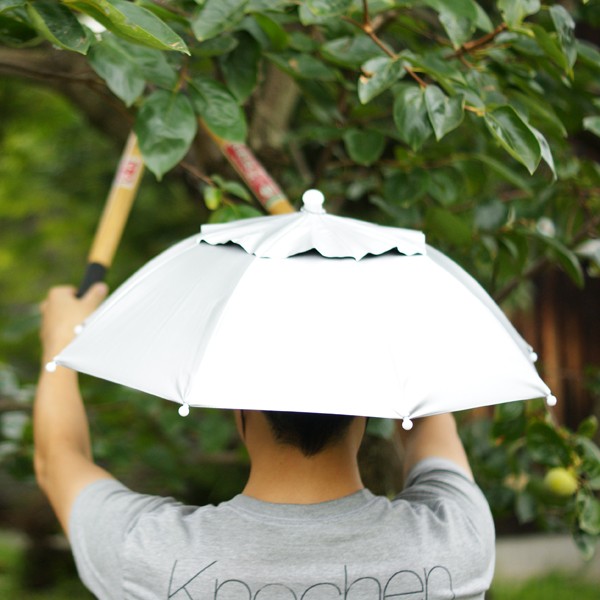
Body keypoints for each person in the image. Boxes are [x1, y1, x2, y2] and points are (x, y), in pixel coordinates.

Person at [35, 284, 495, 600]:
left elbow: (57, 458)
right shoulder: (455, 541)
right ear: (370, 412)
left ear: (240, 412)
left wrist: (61, 338)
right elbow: (434, 431)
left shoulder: (152, 555)